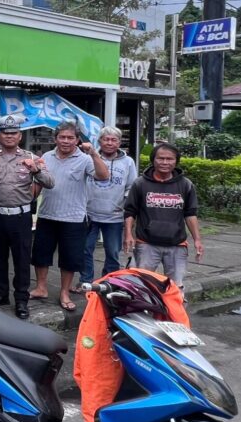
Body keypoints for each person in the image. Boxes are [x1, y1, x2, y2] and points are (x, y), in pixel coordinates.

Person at [31, 121, 109, 312]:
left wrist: (94, 153)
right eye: (62, 137)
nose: (65, 141)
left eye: (70, 138)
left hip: (73, 218)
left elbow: (103, 176)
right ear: (55, 138)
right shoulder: (46, 157)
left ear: (77, 140)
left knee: (70, 258)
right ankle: (41, 288)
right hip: (47, 215)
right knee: (41, 254)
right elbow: (38, 183)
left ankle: (64, 292)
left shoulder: (85, 159)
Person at [0, 114, 53, 319]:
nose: (10, 136)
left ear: (20, 136)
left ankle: (21, 299)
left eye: (13, 133)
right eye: (6, 133)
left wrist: (36, 169)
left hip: (21, 217)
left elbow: (50, 182)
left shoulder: (31, 157)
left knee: (22, 260)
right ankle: (0, 294)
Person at [123, 142, 203, 288]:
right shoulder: (140, 184)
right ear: (153, 160)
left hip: (177, 245)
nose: (165, 162)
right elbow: (130, 211)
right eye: (161, 158)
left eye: (170, 159)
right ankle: (145, 311)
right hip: (146, 244)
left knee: (175, 288)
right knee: (142, 285)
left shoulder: (186, 185)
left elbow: (190, 214)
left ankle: (172, 312)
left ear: (176, 161)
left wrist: (197, 239)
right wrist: (128, 235)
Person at [81, 126, 137, 284]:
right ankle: (85, 280)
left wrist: (125, 206)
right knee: (85, 250)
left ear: (119, 142)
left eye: (114, 140)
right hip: (88, 214)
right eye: (106, 139)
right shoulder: (89, 158)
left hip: (114, 215)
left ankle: (110, 281)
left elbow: (131, 187)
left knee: (112, 251)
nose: (110, 143)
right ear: (100, 141)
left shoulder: (128, 162)